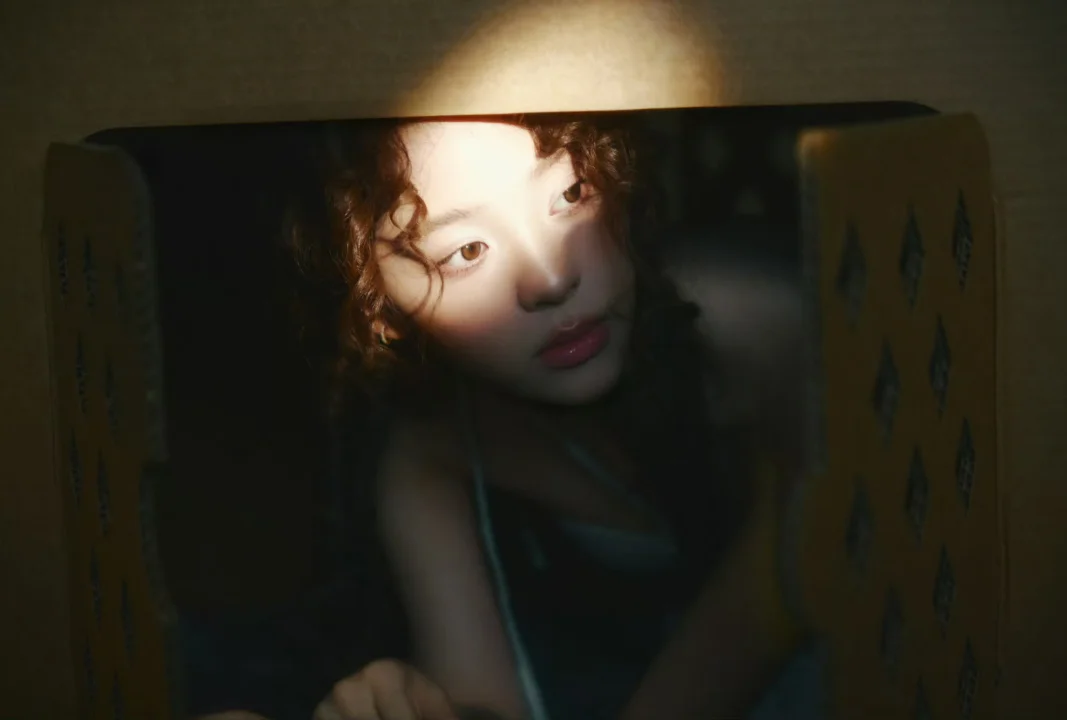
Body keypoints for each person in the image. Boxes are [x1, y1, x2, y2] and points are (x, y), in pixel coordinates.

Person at [205, 113, 820, 720]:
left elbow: (806, 567)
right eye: (467, 251)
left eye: (571, 194)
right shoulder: (433, 454)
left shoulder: (750, 318)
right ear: (379, 305)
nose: (551, 278)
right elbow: (484, 697)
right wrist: (406, 700)